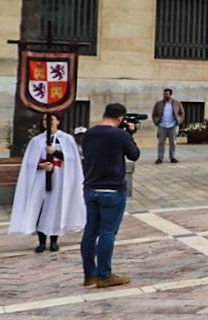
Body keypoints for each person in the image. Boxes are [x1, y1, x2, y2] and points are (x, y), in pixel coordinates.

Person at [79, 104, 139, 288]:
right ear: (120, 118)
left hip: (91, 188)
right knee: (107, 232)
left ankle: (89, 275)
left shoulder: (88, 134)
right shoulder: (120, 135)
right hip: (112, 189)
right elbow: (134, 155)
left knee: (90, 231)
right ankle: (104, 275)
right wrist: (130, 134)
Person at [8, 112, 85, 253]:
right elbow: (28, 163)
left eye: (51, 119)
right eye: (44, 119)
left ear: (58, 121)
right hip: (40, 181)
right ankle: (42, 242)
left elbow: (73, 160)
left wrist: (55, 152)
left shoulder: (67, 139)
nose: (47, 122)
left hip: (60, 180)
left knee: (56, 209)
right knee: (41, 209)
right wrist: (40, 166)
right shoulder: (37, 141)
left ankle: (54, 241)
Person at [150, 88, 184, 164]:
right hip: (162, 125)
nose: (165, 95)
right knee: (161, 142)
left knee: (173, 142)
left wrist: (179, 121)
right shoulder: (158, 103)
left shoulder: (177, 103)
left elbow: (182, 113)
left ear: (170, 94)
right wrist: (156, 121)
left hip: (173, 125)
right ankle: (160, 158)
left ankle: (172, 157)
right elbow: (154, 114)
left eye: (167, 94)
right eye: (164, 94)